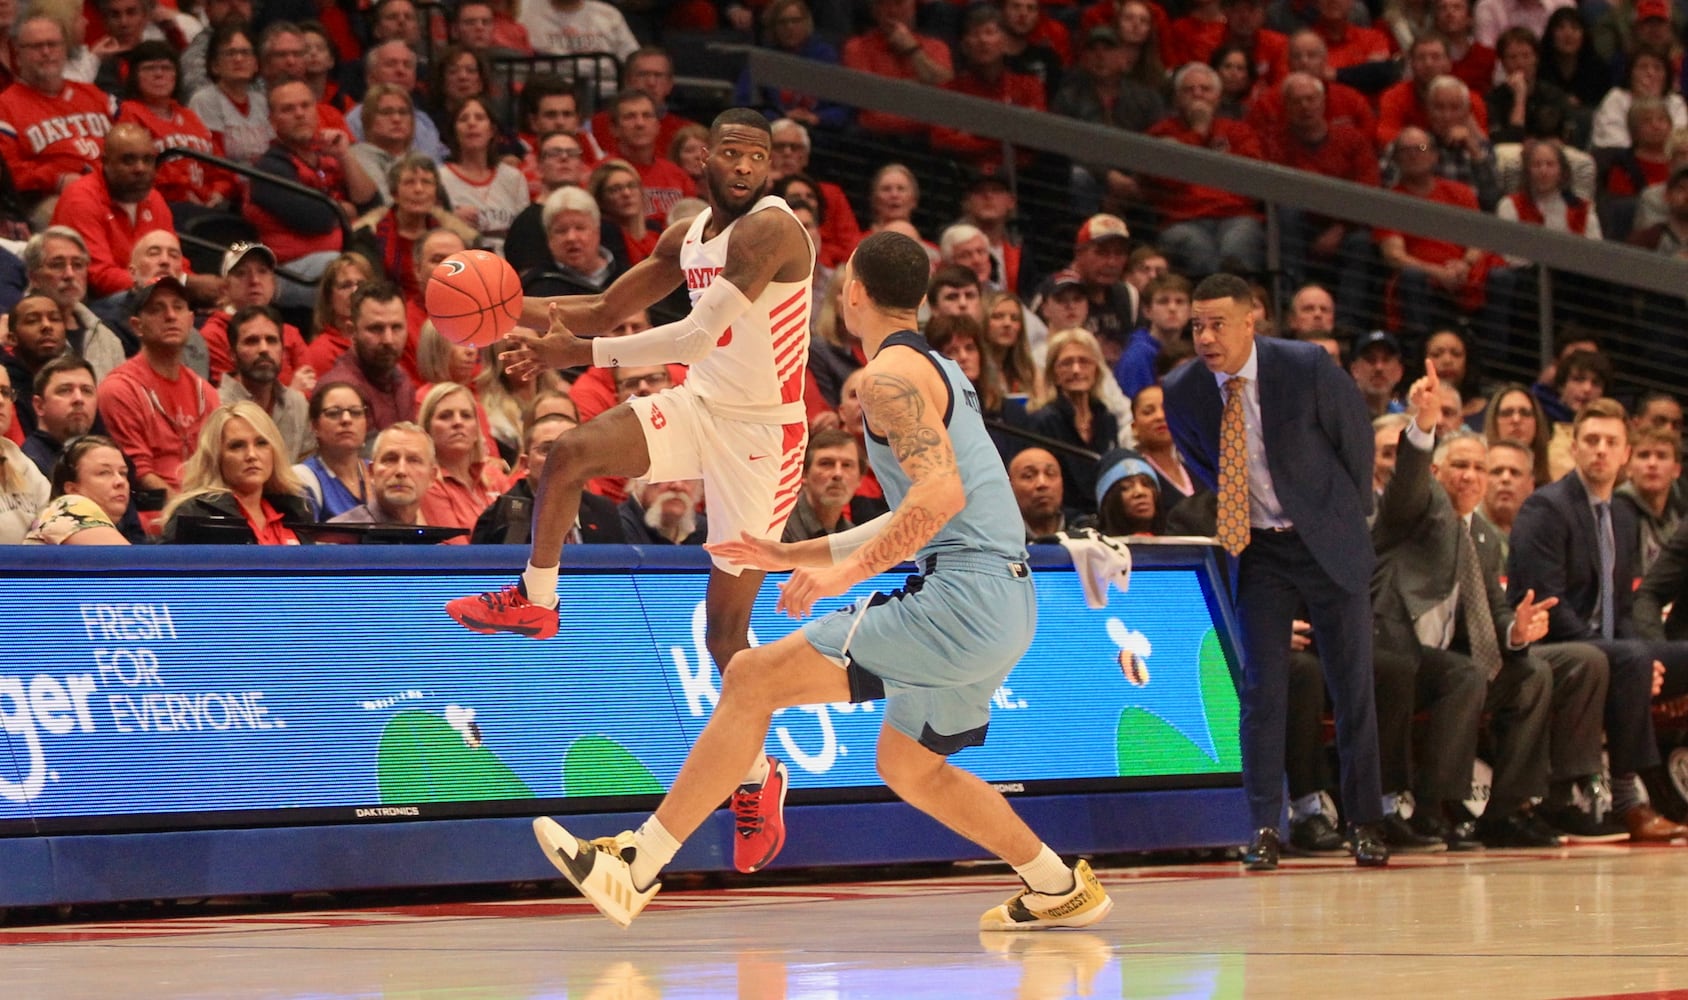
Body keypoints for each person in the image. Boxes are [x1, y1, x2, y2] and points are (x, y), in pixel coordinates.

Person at [531, 230, 1115, 933]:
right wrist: (800, 554)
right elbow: (929, 503)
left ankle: (637, 861)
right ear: (920, 300)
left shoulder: (889, 380)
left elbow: (938, 499)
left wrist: (845, 574)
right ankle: (1056, 884)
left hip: (962, 595)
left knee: (752, 678)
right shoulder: (938, 369)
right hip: (1006, 601)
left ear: (854, 293)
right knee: (911, 766)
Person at [445, 109, 815, 877]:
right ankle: (537, 598)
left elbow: (689, 337)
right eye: (733, 154)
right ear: (702, 158)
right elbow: (609, 307)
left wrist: (572, 350)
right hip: (702, 403)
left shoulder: (770, 234)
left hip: (763, 435)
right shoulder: (688, 234)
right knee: (571, 451)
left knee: (725, 640)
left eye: (760, 157)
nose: (746, 167)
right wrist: (499, 314)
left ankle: (758, 778)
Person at [1163, 272, 1388, 870]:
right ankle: (1264, 825)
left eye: (1217, 324)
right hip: (1258, 547)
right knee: (1261, 691)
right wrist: (1241, 507)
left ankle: (1366, 822)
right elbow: (1202, 462)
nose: (1206, 337)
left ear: (1249, 323)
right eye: (1196, 326)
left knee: (1352, 686)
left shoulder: (1305, 365)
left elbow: (1355, 444)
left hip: (1326, 539)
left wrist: (1339, 514)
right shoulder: (1183, 390)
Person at [1506, 397, 1688, 842]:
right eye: (1591, 440)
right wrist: (1628, 655)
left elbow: (1625, 610)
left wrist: (1642, 653)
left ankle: (1670, 787)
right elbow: (1547, 602)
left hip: (1610, 648)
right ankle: (1628, 799)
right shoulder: (1546, 508)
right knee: (1627, 660)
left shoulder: (1622, 517)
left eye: (1611, 442)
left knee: (1673, 656)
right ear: (1575, 449)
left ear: (1626, 452)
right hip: (1553, 646)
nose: (1601, 450)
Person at [96, 275, 214, 497]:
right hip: (152, 511)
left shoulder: (206, 393)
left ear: (190, 320)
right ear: (136, 326)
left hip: (205, 505)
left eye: (178, 307)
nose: (170, 316)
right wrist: (188, 510)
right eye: (156, 309)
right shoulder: (119, 389)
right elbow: (137, 473)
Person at [0, 15, 117, 225]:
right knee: (78, 208)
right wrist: (57, 179)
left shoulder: (95, 96)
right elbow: (8, 172)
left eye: (52, 44)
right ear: (18, 55)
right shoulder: (5, 107)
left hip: (112, 189)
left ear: (64, 49)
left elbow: (133, 141)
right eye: (36, 46)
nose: (46, 52)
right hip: (48, 199)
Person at [160, 399, 312, 543]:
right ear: (217, 457)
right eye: (237, 446)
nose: (251, 455)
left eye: (261, 443)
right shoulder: (193, 513)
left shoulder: (296, 512)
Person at [471, 414, 623, 544]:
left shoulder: (604, 511)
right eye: (547, 450)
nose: (561, 457)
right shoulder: (499, 517)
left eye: (573, 447)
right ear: (525, 463)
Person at [218, 304, 312, 460]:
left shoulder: (298, 404)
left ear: (282, 350)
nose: (263, 349)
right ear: (232, 354)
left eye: (271, 340)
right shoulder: (215, 405)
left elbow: (308, 469)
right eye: (252, 341)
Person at [321, 281, 417, 432]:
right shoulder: (340, 392)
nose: (388, 339)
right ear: (351, 331)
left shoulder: (402, 379)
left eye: (396, 327)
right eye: (376, 328)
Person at [24, 434, 133, 545]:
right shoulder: (68, 505)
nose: (120, 481)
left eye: (123, 473)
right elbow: (134, 562)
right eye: (104, 472)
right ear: (72, 489)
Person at [327, 421, 434, 527]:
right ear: (371, 472)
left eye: (413, 460)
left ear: (431, 477)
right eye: (390, 459)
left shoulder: (434, 542)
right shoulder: (336, 536)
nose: (401, 470)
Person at [294, 380, 371, 520]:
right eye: (334, 413)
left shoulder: (378, 471)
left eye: (355, 412)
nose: (346, 419)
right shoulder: (302, 479)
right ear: (315, 426)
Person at [781, 427, 863, 542]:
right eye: (826, 463)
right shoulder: (780, 526)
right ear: (804, 474)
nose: (838, 474)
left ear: (860, 479)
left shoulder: (854, 538)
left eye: (847, 465)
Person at [0, 364, 51, 542]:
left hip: (28, 567)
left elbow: (53, 517)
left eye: (5, 392)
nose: (1, 401)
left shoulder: (18, 459)